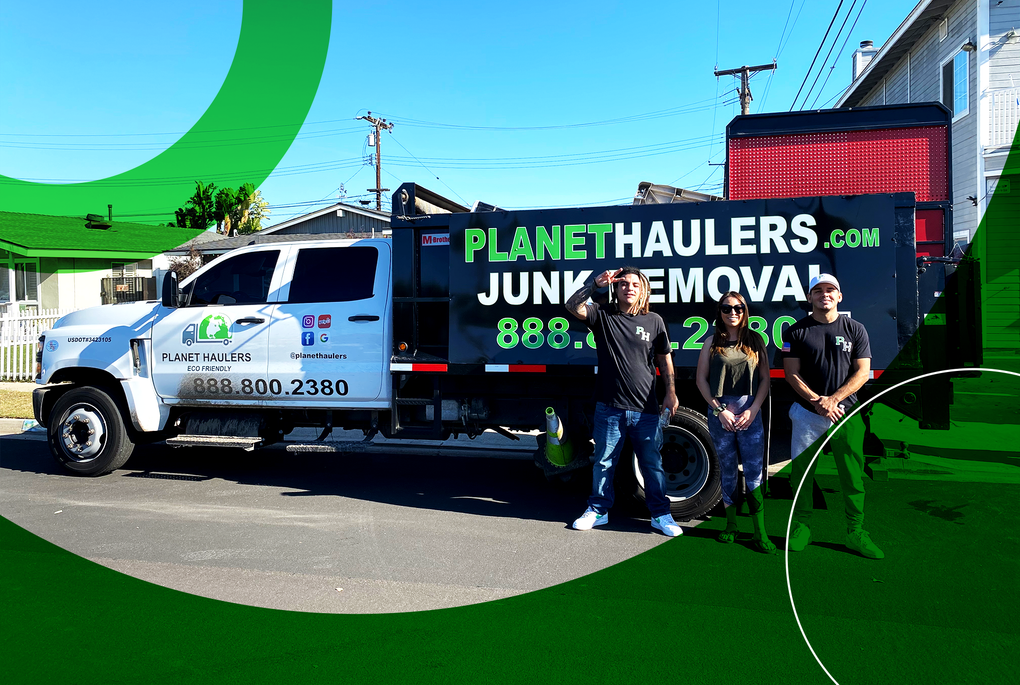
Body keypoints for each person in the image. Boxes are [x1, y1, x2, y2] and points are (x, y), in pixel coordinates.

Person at [565, 266, 683, 537]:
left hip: (646, 409)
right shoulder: (602, 315)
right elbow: (572, 305)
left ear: (643, 291)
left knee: (652, 464)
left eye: (635, 284)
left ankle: (660, 514)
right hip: (609, 406)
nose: (629, 287)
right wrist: (594, 284)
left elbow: (664, 359)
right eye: (624, 284)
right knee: (604, 462)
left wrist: (671, 392)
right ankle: (598, 510)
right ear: (616, 289)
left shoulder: (654, 321)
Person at [781, 273, 883, 559]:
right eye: (818, 290)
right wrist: (817, 402)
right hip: (807, 414)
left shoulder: (855, 329)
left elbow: (863, 372)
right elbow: (791, 374)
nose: (824, 294)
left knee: (852, 477)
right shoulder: (795, 331)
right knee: (801, 475)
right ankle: (801, 527)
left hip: (846, 414)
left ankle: (856, 532)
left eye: (830, 290)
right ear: (810, 297)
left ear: (839, 296)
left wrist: (833, 400)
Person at [696, 292, 775, 553]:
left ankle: (760, 532)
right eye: (727, 308)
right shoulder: (711, 342)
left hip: (749, 414)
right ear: (719, 312)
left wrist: (753, 409)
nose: (733, 312)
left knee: (754, 474)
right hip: (722, 416)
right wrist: (720, 410)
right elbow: (701, 381)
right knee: (727, 470)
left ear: (745, 311)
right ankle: (731, 526)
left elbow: (765, 379)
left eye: (738, 308)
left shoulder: (755, 341)